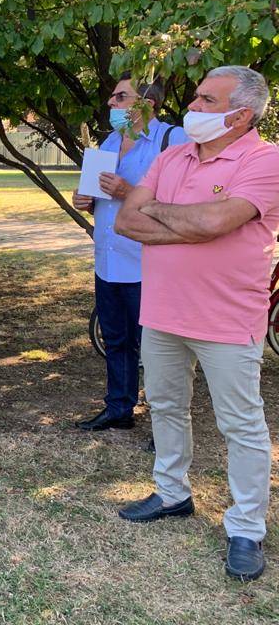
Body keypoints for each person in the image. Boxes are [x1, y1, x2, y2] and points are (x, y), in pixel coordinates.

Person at [115, 65, 279, 582]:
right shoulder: (173, 154)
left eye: (208, 101)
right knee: (165, 404)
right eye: (198, 97)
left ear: (241, 114)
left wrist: (172, 215)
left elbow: (215, 221)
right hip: (163, 309)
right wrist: (194, 221)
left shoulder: (266, 159)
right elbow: (126, 219)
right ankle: (171, 492)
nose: (195, 108)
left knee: (241, 424)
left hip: (228, 317)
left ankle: (247, 526)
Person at [72, 73, 187, 432]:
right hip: (108, 261)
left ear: (147, 104)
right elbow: (100, 199)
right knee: (116, 340)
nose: (111, 103)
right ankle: (119, 409)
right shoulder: (108, 142)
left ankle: (165, 428)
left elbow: (183, 203)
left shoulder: (173, 140)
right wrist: (86, 201)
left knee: (158, 352)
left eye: (121, 97)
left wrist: (129, 191)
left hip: (149, 265)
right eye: (113, 96)